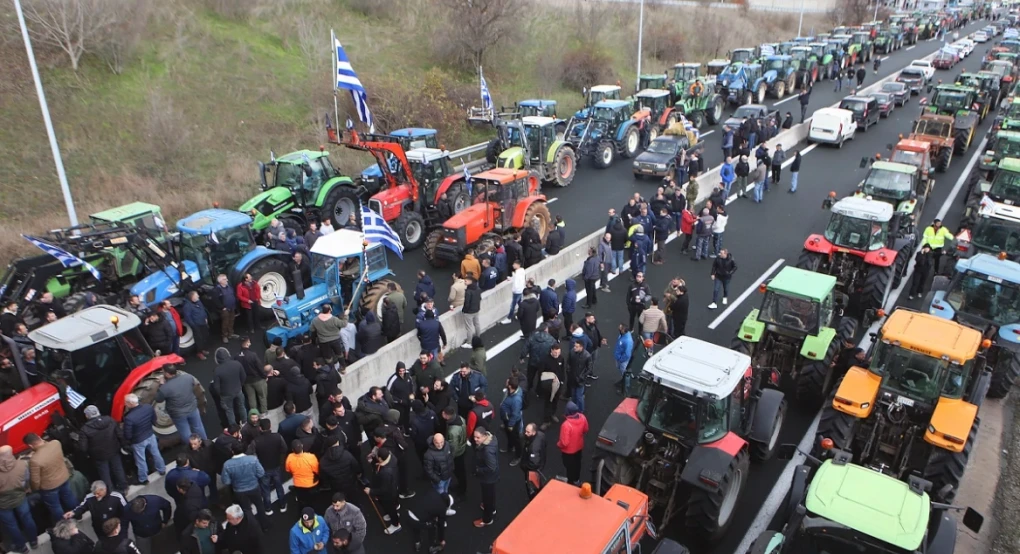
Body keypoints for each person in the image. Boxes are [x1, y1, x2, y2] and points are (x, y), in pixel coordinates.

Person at [79, 405, 128, 493]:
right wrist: (124, 446)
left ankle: (110, 492)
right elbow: (120, 434)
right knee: (118, 469)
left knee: (105, 474)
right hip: (114, 450)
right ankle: (123, 487)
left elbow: (83, 448)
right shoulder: (110, 420)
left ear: (87, 416)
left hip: (99, 456)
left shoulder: (85, 429)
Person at [221, 442, 270, 528]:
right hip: (254, 487)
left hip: (239, 490)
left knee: (246, 509)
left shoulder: (227, 465)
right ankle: (265, 524)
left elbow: (226, 482)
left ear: (232, 451)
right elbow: (261, 473)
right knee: (259, 505)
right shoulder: (253, 459)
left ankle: (252, 526)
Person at [121, 394, 166, 484]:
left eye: (126, 403)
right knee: (156, 453)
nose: (125, 404)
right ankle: (162, 469)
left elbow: (128, 435)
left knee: (141, 460)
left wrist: (129, 441)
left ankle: (143, 479)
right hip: (150, 435)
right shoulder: (148, 407)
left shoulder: (129, 418)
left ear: (130, 404)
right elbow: (154, 420)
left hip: (138, 441)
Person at [0, 445, 37, 553]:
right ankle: (34, 541)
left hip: (3, 504)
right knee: (27, 519)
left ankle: (22, 547)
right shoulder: (22, 464)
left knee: (11, 525)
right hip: (20, 498)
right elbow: (26, 480)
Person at [156, 364, 207, 442]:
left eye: (163, 372)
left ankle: (192, 449)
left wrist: (161, 383)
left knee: (185, 433)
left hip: (178, 414)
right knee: (198, 427)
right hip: (192, 408)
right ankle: (206, 443)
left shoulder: (164, 388)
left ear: (166, 373)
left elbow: (158, 399)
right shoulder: (188, 377)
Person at [253, 419, 288, 513]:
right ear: (270, 426)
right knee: (279, 486)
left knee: (265, 489)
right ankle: (282, 505)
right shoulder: (277, 436)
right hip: (276, 466)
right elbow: (284, 448)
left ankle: (268, 508)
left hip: (263, 468)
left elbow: (252, 454)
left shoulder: (256, 441)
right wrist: (280, 460)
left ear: (260, 428)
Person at [365, 447, 402, 534]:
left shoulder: (385, 473)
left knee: (390, 507)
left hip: (388, 495)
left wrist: (371, 491)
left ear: (381, 458)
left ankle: (396, 524)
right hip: (393, 489)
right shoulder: (392, 458)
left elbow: (384, 489)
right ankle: (393, 514)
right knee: (391, 507)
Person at [406, 488, 448, 554]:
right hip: (417, 519)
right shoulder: (442, 508)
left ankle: (417, 543)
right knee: (432, 527)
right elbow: (441, 525)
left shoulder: (433, 492)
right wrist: (441, 539)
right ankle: (432, 547)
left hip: (410, 512)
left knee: (415, 528)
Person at [472, 425, 499, 528]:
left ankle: (487, 519)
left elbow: (491, 467)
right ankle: (492, 509)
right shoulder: (492, 439)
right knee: (490, 493)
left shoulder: (487, 451)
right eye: (474, 437)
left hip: (488, 477)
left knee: (487, 496)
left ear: (484, 436)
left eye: (478, 437)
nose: (475, 440)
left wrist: (479, 470)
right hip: (491, 477)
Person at [214, 347, 248, 426]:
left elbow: (216, 387)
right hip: (238, 390)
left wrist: (221, 394)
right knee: (242, 406)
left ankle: (234, 427)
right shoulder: (237, 364)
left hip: (226, 394)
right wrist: (240, 385)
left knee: (229, 410)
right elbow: (244, 376)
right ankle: (245, 423)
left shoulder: (217, 370)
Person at [440, 406, 468, 500]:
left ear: (447, 415)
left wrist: (450, 458)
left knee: (459, 471)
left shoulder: (452, 431)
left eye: (443, 413)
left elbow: (453, 447)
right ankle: (461, 486)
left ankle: (462, 491)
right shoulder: (461, 419)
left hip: (457, 454)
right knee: (461, 471)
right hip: (462, 447)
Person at [557, 401, 588, 485]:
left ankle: (570, 483)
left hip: (568, 452)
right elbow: (585, 430)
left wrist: (558, 444)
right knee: (577, 464)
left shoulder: (566, 425)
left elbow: (564, 442)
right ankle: (576, 480)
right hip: (579, 447)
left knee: (569, 467)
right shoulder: (582, 417)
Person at [500, 375, 524, 465]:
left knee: (516, 439)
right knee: (509, 435)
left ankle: (518, 456)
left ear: (510, 386)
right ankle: (510, 447)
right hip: (507, 419)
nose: (505, 382)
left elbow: (515, 414)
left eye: (507, 381)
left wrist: (510, 425)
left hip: (512, 422)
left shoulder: (516, 400)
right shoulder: (511, 392)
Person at [423, 433, 454, 498]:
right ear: (433, 441)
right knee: (440, 496)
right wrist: (438, 480)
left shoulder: (447, 445)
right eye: (437, 443)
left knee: (446, 491)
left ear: (444, 440)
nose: (440, 445)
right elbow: (429, 471)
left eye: (441, 442)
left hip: (448, 476)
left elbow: (451, 455)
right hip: (440, 480)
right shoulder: (428, 455)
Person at [181, 291, 210, 360]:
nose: (198, 297)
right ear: (192, 297)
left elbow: (203, 310)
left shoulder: (198, 301)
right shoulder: (187, 306)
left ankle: (202, 349)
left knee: (204, 336)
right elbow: (188, 317)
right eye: (196, 296)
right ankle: (199, 352)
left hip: (203, 322)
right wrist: (194, 325)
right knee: (198, 339)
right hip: (196, 325)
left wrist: (205, 317)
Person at [460, 276, 482, 348]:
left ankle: (469, 342)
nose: (464, 282)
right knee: (477, 324)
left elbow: (467, 303)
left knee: (469, 327)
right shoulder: (478, 289)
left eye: (466, 281)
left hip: (469, 312)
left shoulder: (468, 291)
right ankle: (478, 337)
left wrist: (464, 311)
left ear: (470, 281)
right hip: (476, 309)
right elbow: (480, 298)